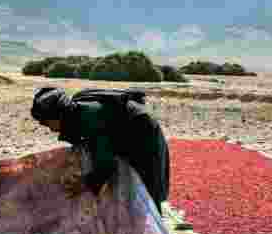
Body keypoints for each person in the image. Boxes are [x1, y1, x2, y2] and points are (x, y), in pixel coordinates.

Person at [30, 87, 169, 209]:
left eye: (48, 123)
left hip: (143, 132)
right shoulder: (75, 112)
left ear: (58, 116)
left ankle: (154, 232)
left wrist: (86, 182)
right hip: (129, 131)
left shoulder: (88, 117)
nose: (50, 129)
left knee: (147, 186)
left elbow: (106, 161)